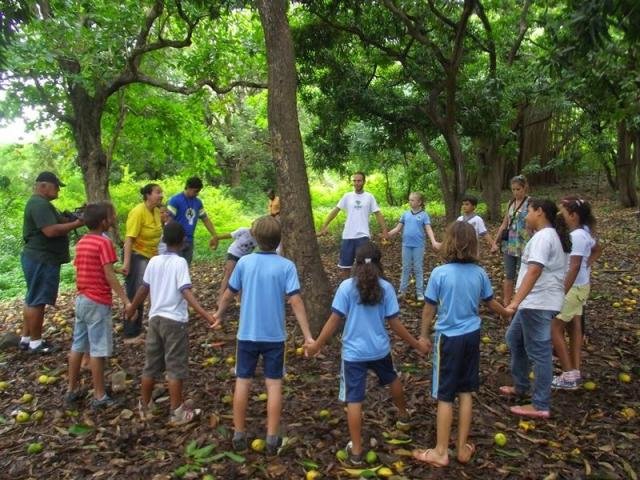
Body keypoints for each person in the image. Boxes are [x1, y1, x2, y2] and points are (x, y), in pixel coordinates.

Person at [305, 241, 427, 467]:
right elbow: (395, 323)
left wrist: (317, 344)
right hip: (379, 349)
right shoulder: (387, 288)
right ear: (379, 263)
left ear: (355, 263)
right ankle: (403, 417)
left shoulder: (346, 287)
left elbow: (334, 321)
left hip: (353, 354)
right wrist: (417, 344)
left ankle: (357, 451)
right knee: (392, 378)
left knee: (354, 399)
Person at [213, 216, 314, 456]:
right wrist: (308, 335)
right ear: (279, 239)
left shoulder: (245, 263)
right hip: (275, 338)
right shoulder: (286, 266)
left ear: (255, 239)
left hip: (247, 335)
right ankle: (271, 437)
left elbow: (229, 293)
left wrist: (218, 314)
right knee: (274, 384)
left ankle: (239, 433)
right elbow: (296, 301)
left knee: (243, 381)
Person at [412, 222, 508, 468]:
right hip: (472, 336)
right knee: (466, 392)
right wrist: (507, 312)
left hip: (448, 339)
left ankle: (441, 451)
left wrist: (423, 336)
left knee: (445, 394)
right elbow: (490, 303)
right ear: (473, 244)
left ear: (449, 242)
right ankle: (462, 448)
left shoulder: (439, 273)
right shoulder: (479, 273)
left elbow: (428, 310)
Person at [126, 222, 216, 425]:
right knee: (175, 367)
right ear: (183, 241)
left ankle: (145, 405)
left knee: (151, 365)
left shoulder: (154, 261)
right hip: (174, 321)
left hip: (155, 319)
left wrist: (132, 308)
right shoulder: (180, 263)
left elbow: (143, 289)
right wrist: (205, 314)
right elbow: (185, 290)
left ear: (163, 240)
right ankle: (177, 412)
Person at [501, 199, 571, 419]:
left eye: (528, 212)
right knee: (514, 339)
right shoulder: (547, 236)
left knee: (539, 352)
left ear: (539, 212)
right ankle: (521, 386)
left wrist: (514, 301)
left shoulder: (543, 237)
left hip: (538, 303)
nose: (525, 216)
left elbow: (534, 271)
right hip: (532, 302)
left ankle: (540, 403)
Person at [65, 202, 130, 410]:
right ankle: (100, 396)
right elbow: (108, 275)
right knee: (97, 350)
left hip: (82, 299)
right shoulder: (105, 243)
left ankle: (72, 390)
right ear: (104, 222)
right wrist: (125, 299)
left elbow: (92, 266)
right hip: (97, 301)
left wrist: (115, 270)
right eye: (111, 216)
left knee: (77, 345)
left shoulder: (82, 241)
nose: (114, 218)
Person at [21, 171, 84, 354]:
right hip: (41, 258)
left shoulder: (44, 205)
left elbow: (60, 221)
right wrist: (78, 224)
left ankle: (26, 338)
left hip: (39, 257)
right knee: (38, 300)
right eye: (56, 186)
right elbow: (50, 231)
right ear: (43, 186)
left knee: (32, 297)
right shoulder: (39, 204)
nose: (58, 190)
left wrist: (73, 217)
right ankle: (36, 343)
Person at [551, 197, 601, 390]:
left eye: (562, 212)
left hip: (572, 289)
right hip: (581, 287)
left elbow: (574, 266)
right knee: (574, 326)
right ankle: (575, 370)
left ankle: (568, 375)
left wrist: (561, 293)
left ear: (573, 216)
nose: (559, 216)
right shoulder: (584, 232)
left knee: (553, 328)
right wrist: (588, 265)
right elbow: (596, 250)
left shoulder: (578, 236)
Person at [318, 172, 388, 275]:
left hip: (363, 236)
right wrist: (324, 225)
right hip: (348, 236)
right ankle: (348, 288)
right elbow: (335, 211)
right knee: (345, 267)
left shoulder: (369, 197)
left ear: (364, 182)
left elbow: (378, 214)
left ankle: (364, 288)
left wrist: (385, 231)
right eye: (354, 181)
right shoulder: (347, 196)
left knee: (366, 265)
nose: (356, 183)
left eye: (359, 181)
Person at [122, 183, 164, 341]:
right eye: (157, 192)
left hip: (151, 256)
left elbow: (156, 238)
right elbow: (129, 239)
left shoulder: (157, 211)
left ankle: (138, 327)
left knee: (146, 291)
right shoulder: (138, 212)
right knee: (136, 293)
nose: (161, 195)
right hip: (136, 254)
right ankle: (130, 332)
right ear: (148, 195)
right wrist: (127, 263)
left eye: (161, 193)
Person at [387, 192, 441, 301]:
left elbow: (428, 229)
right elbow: (398, 228)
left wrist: (434, 241)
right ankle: (402, 291)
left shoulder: (424, 215)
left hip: (418, 246)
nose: (410, 202)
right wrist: (387, 234)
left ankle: (420, 292)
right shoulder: (405, 214)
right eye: (409, 200)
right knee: (406, 268)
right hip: (406, 245)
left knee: (418, 268)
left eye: (412, 200)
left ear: (419, 202)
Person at [491, 175, 531, 305]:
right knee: (509, 275)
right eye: (513, 189)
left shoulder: (531, 203)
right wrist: (494, 242)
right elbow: (504, 224)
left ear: (525, 188)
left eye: (518, 189)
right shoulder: (510, 203)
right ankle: (506, 304)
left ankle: (521, 303)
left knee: (524, 275)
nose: (515, 192)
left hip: (525, 244)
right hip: (509, 244)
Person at [167, 176, 219, 265]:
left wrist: (214, 235)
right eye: (195, 191)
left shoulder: (198, 202)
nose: (197, 194)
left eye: (198, 191)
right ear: (188, 187)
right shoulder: (175, 200)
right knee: (174, 267)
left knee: (186, 268)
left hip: (189, 240)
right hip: (176, 241)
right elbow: (168, 221)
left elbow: (205, 219)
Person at [215, 226, 258, 305]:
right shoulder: (244, 231)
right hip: (233, 253)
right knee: (229, 274)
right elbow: (229, 235)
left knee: (243, 277)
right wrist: (217, 237)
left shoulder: (259, 237)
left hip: (245, 258)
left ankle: (239, 298)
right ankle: (221, 297)